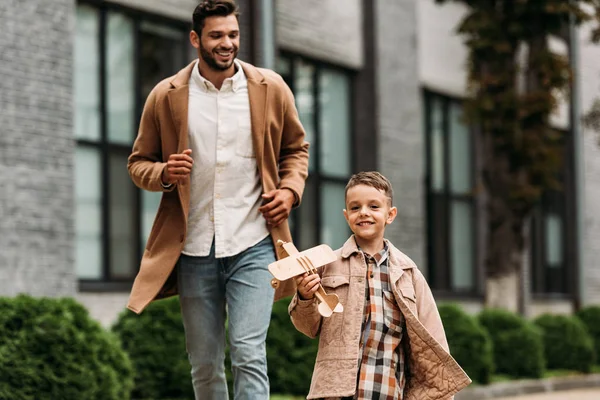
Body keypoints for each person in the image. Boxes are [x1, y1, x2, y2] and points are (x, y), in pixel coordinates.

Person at [126, 1, 309, 398]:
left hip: (254, 243)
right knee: (205, 363)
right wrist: (165, 174)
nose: (227, 44)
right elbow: (138, 163)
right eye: (216, 36)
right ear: (196, 39)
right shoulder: (167, 96)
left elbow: (296, 150)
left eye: (233, 35)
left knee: (248, 352)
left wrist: (290, 190)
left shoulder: (270, 87)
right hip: (193, 248)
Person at [290, 171, 471, 400]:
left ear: (390, 214)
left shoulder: (408, 273)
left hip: (387, 390)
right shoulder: (327, 266)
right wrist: (305, 297)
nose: (363, 212)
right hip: (336, 392)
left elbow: (433, 339)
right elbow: (307, 327)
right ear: (346, 216)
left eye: (373, 206)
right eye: (355, 208)